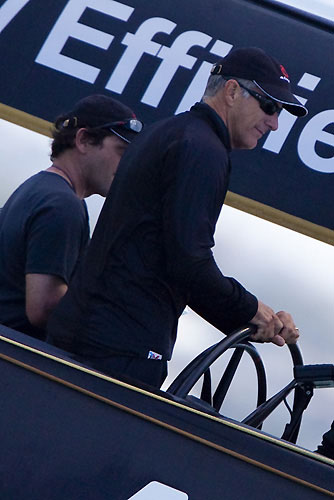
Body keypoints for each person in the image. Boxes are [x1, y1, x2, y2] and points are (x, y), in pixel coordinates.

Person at [47, 47, 307, 388]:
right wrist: (251, 310)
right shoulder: (204, 150)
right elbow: (189, 262)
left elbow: (175, 261)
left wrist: (253, 316)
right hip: (117, 349)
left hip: (89, 333)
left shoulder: (168, 131)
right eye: (270, 106)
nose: (274, 123)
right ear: (231, 92)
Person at [0, 94, 142, 340]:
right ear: (84, 140)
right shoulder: (62, 205)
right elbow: (43, 307)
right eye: (122, 152)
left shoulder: (37, 189)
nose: (127, 166)